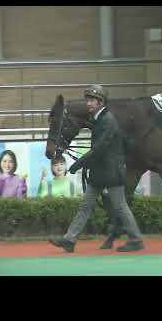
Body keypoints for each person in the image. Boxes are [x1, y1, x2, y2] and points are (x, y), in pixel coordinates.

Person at [49, 84, 144, 253]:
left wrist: (79, 164)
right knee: (85, 205)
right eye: (88, 100)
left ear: (101, 102)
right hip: (100, 172)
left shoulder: (108, 121)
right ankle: (70, 239)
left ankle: (136, 239)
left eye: (92, 100)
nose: (88, 104)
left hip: (110, 172)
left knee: (121, 206)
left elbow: (98, 149)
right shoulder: (99, 119)